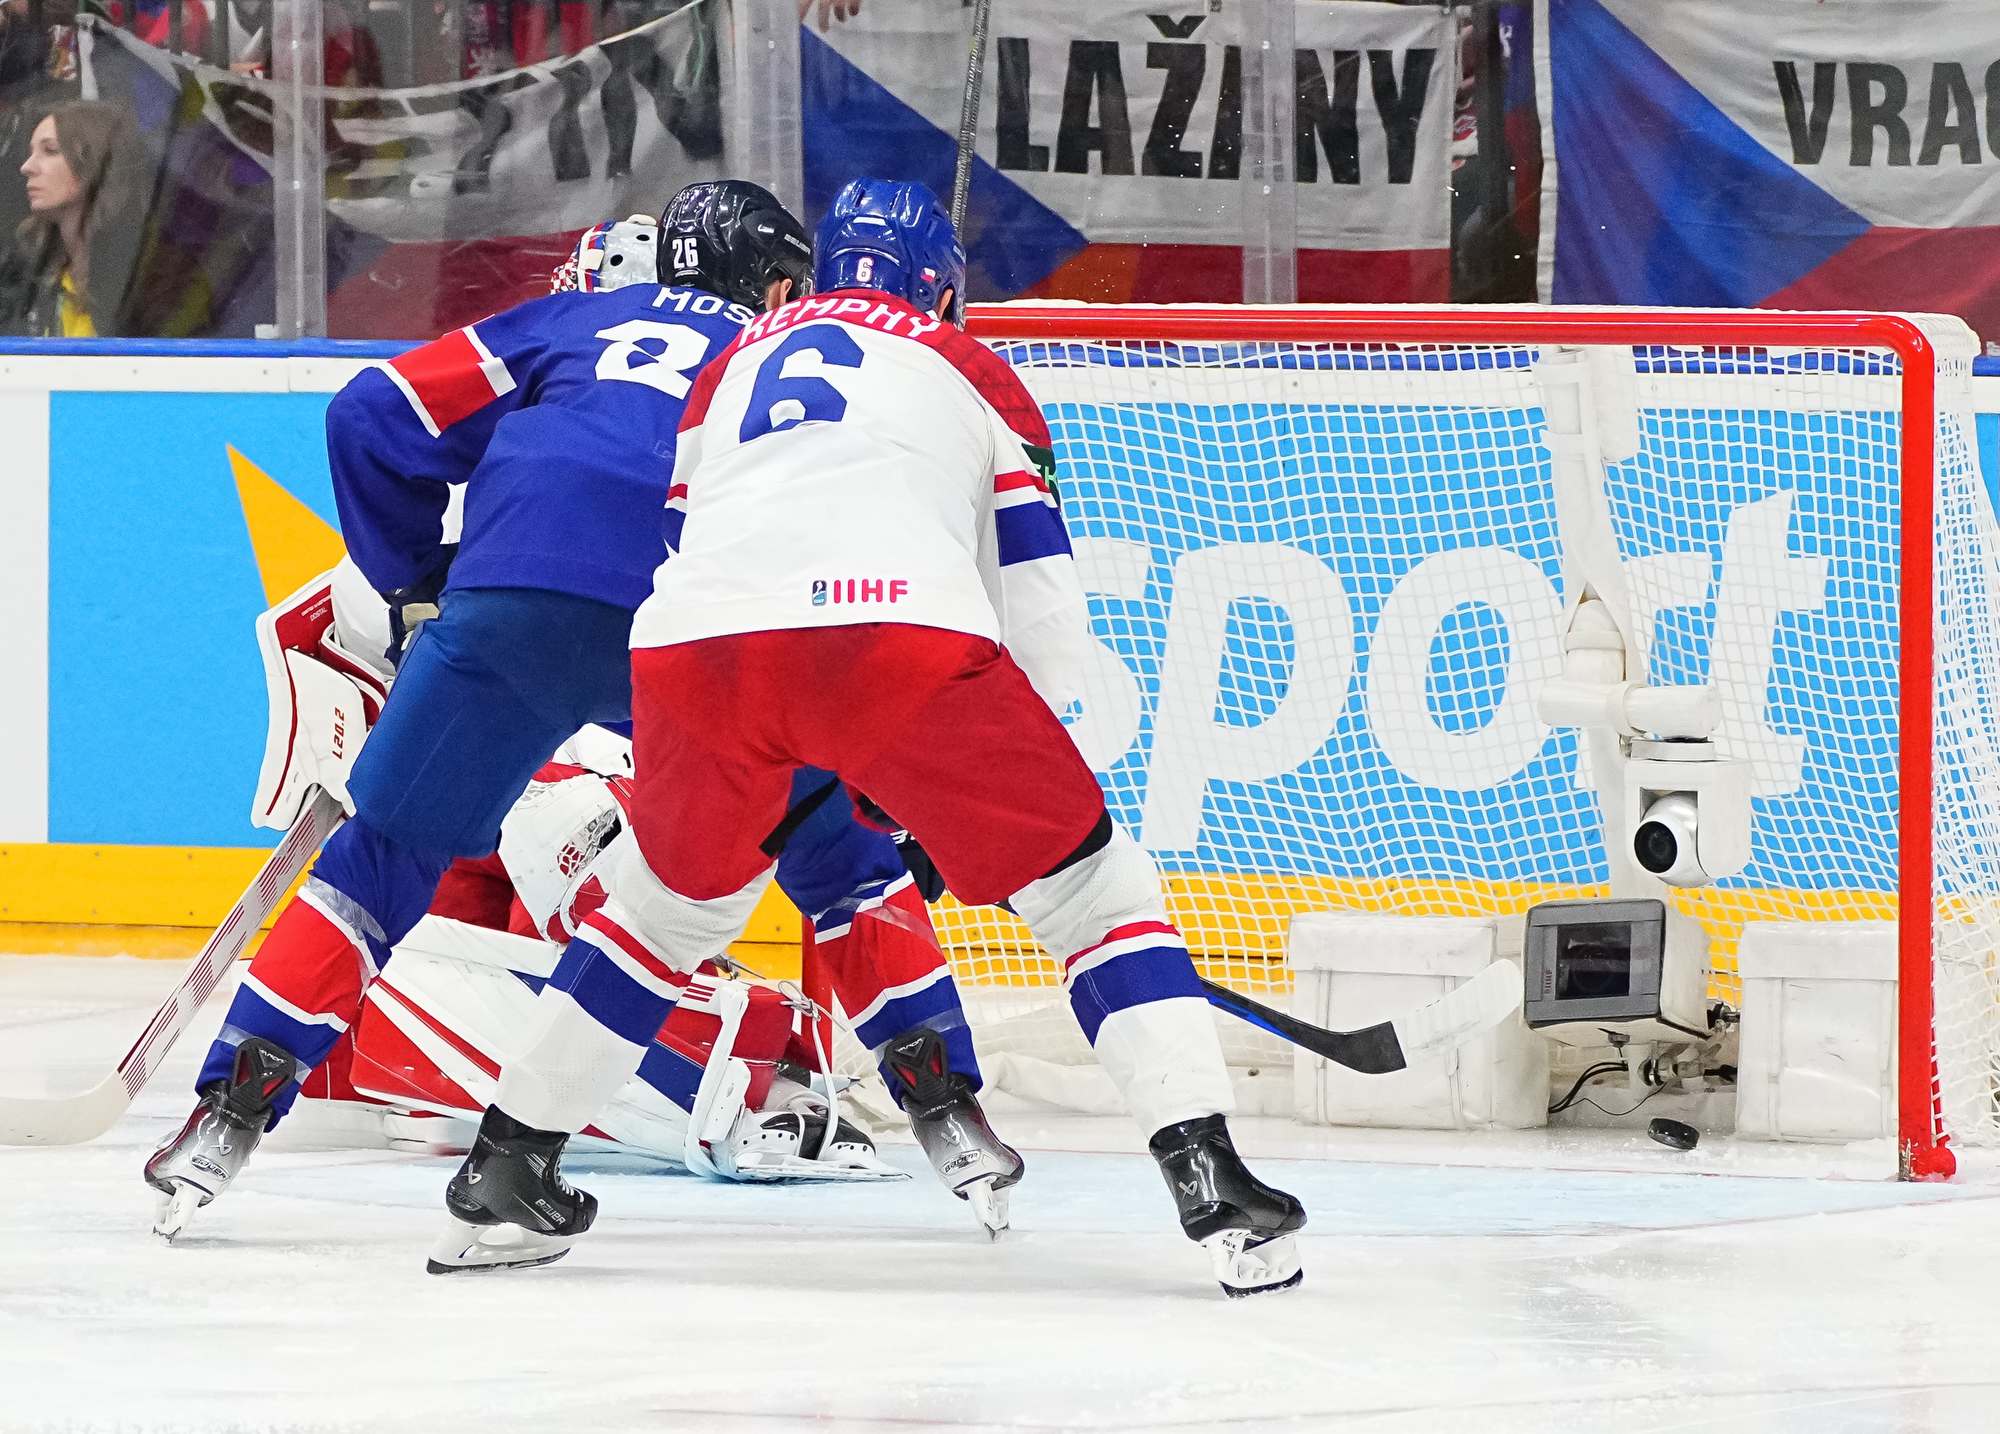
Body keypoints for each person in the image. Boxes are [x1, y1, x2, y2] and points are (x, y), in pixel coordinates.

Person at [436, 178, 1307, 1297]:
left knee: (659, 916)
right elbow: (1036, 595)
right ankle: (1208, 1174)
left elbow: (690, 539)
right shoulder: (968, 364)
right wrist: (1007, 799)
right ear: (939, 289)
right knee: (1098, 897)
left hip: (696, 650)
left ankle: (506, 1166)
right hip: (893, 637)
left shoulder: (730, 362)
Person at [141, 183, 813, 1237]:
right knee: (806, 833)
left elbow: (367, 413)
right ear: (769, 282)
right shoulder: (788, 361)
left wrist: (412, 582)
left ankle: (227, 1111)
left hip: (503, 618)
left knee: (378, 863)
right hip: (680, 637)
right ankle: (929, 1082)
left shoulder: (570, 325)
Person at [0, 99, 148, 337]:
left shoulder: (143, 276)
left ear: (96, 164)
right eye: (30, 153)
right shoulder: (23, 272)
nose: (27, 167)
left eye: (50, 151)